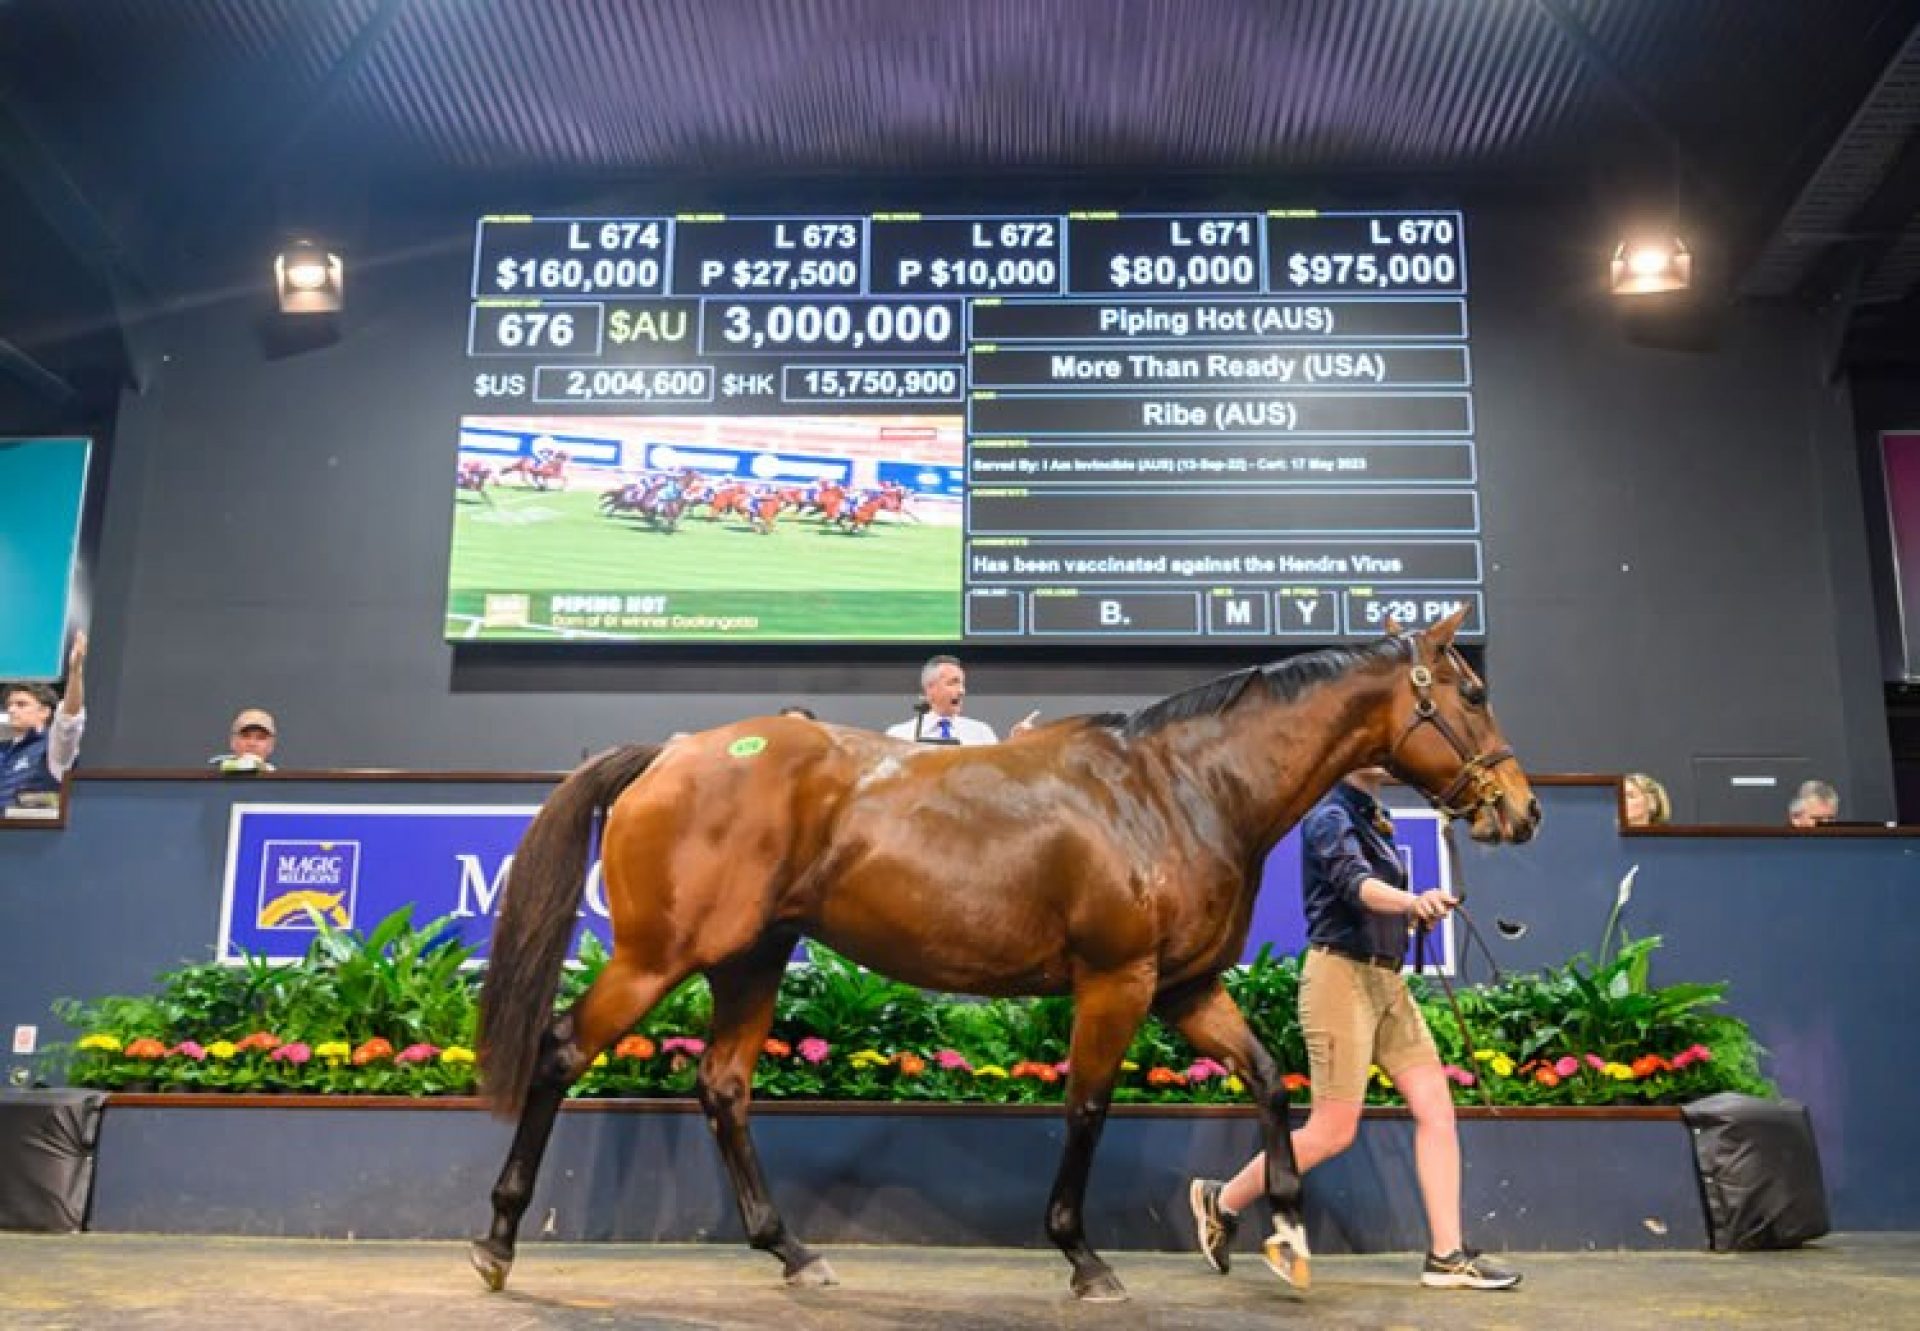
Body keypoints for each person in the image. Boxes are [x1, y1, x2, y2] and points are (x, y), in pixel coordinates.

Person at [1188, 765, 1521, 1292]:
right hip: (1338, 980)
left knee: (1436, 1107)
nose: (1391, 758)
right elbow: (1354, 885)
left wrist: (1413, 915)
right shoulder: (1328, 815)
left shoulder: (1374, 816)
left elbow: (1375, 896)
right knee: (1332, 1130)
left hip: (1388, 982)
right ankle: (1221, 1200)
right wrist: (1411, 902)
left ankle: (1447, 1255)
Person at [1, 632, 88, 807]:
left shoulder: (53, 749)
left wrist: (75, 670)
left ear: (44, 711)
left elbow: (69, 720)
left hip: (30, 831)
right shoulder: (4, 749)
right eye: (9, 705)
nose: (12, 710)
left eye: (21, 704)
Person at [884, 654, 1036, 746]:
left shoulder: (981, 733)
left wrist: (1015, 744)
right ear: (930, 689)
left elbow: (999, 778)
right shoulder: (899, 735)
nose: (962, 691)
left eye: (962, 684)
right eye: (953, 683)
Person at [209, 708, 278, 773]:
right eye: (245, 736)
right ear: (233, 741)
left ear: (271, 745)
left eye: (260, 737)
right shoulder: (210, 780)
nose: (252, 743)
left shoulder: (279, 782)